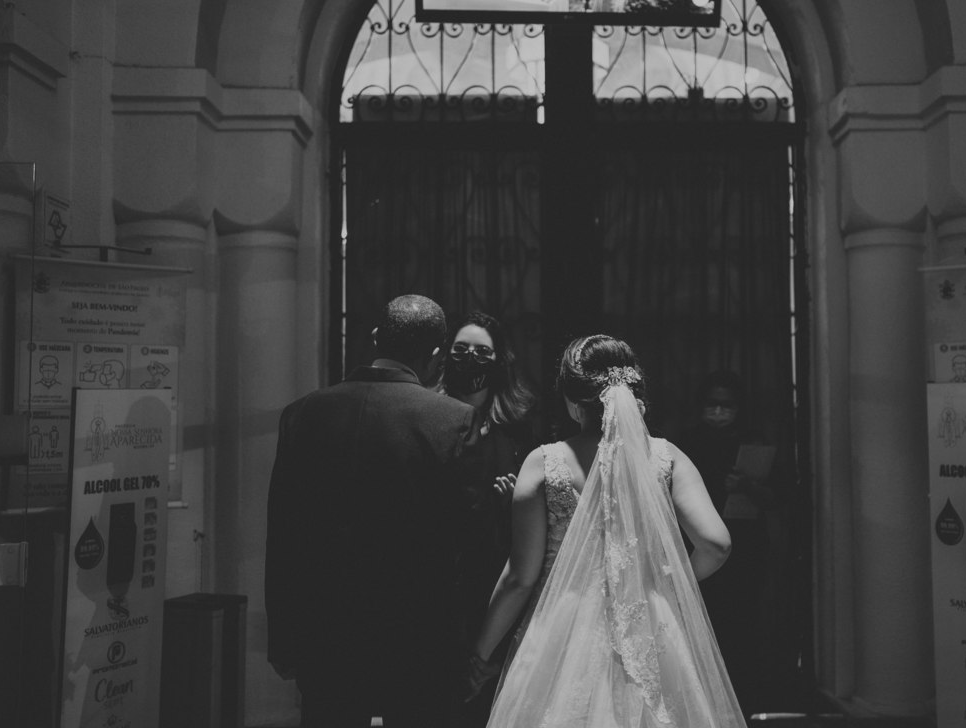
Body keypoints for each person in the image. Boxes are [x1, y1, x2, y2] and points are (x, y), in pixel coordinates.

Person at [467, 335, 746, 727]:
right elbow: (716, 545)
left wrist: (481, 654)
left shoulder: (544, 463)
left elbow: (519, 578)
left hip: (563, 633)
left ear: (570, 399)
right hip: (649, 625)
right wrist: (664, 582)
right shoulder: (667, 458)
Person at [265, 294, 482, 728]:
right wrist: (466, 647)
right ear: (437, 356)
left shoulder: (302, 414)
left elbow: (283, 536)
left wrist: (284, 639)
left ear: (376, 338)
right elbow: (463, 545)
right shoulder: (453, 421)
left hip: (326, 634)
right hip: (419, 638)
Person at [677, 370, 792, 715]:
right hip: (697, 549)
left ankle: (743, 698)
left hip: (744, 546)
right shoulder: (688, 443)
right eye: (711, 404)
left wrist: (747, 487)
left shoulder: (753, 442)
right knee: (700, 619)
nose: (718, 411)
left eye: (726, 405)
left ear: (738, 407)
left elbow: (780, 496)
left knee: (742, 623)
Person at [444, 311, 538, 727]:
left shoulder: (518, 431)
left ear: (499, 361)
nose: (470, 358)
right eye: (461, 350)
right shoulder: (430, 421)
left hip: (496, 582)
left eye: (482, 352)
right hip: (441, 583)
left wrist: (513, 503)